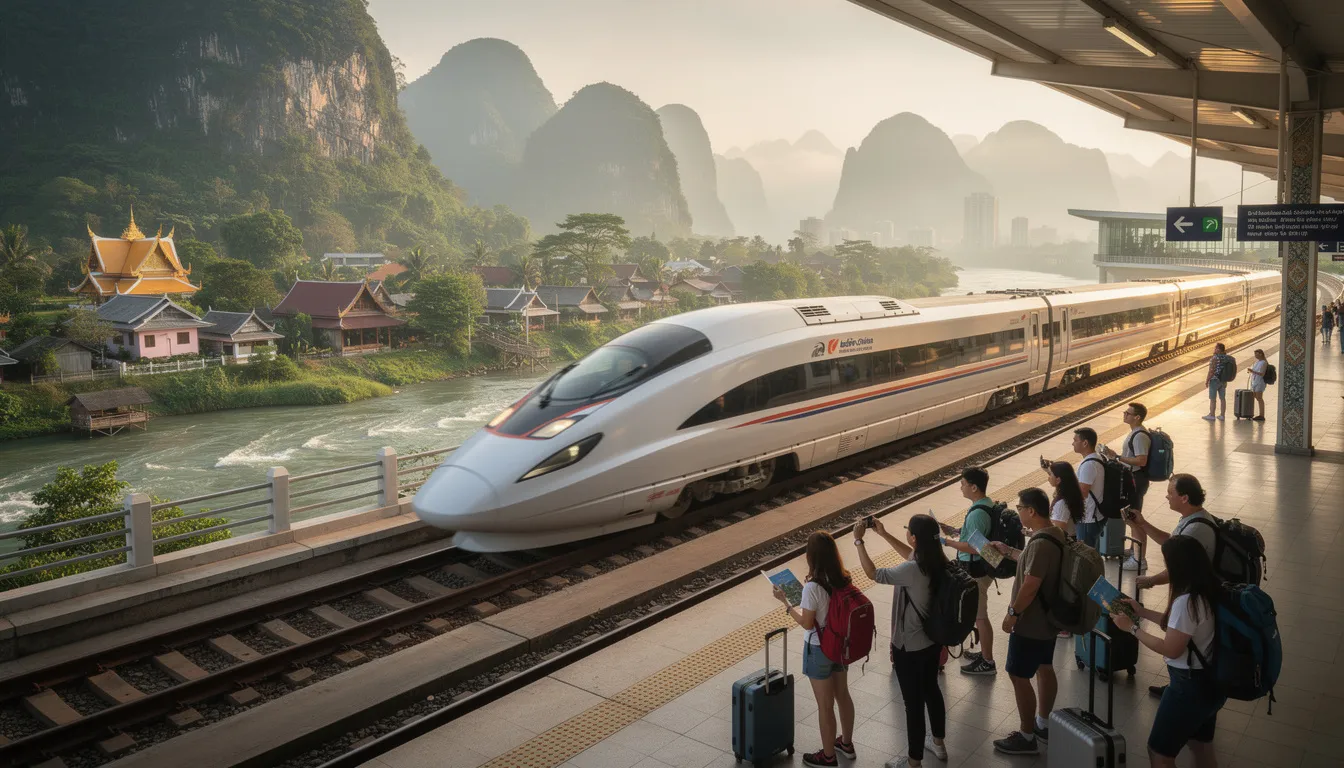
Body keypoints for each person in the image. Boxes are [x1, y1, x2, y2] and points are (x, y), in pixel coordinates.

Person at [1109, 536, 1226, 767]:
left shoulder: (1187, 602)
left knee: (1159, 753)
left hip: (1188, 687)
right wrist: (1142, 612)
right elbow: (1180, 628)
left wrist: (1131, 628)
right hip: (1212, 682)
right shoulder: (1211, 590)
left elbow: (1171, 649)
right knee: (1200, 746)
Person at [854, 515, 949, 768]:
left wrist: (858, 541)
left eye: (909, 531)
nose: (907, 534)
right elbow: (910, 555)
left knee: (913, 704)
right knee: (931, 689)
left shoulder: (911, 570)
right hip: (933, 641)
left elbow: (873, 573)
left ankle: (913, 761)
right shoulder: (938, 560)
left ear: (915, 538)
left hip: (909, 647)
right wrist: (883, 534)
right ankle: (938, 743)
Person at [1126, 473, 1219, 699]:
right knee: (1183, 631)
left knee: (1186, 635)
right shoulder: (1190, 519)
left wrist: (1150, 581)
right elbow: (1172, 543)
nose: (1167, 497)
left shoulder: (1197, 530)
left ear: (1184, 498)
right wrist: (1142, 523)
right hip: (1191, 589)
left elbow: (1180, 564)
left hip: (1192, 590)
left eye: (1170, 493)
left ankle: (1185, 686)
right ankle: (1179, 683)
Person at [989, 488, 1065, 757]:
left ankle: (1026, 736)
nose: (1018, 510)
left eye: (1020, 507)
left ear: (1031, 511)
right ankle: (1043, 723)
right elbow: (1035, 565)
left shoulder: (1040, 543)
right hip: (1049, 621)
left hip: (1031, 623)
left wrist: (1013, 614)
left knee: (1019, 675)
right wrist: (1009, 551)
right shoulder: (1054, 534)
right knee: (1045, 667)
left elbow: (1031, 584)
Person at [775, 532, 857, 767]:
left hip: (819, 650)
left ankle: (828, 756)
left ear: (812, 557)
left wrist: (786, 603)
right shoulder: (843, 578)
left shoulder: (812, 587)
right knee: (843, 695)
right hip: (840, 646)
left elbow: (808, 623)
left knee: (824, 705)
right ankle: (847, 744)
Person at [941, 467, 998, 675]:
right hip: (983, 568)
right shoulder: (985, 504)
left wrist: (946, 541)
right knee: (978, 615)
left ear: (974, 487)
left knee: (980, 616)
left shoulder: (977, 513)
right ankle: (984, 653)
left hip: (977, 571)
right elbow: (976, 536)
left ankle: (988, 662)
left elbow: (975, 547)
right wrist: (957, 532)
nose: (961, 487)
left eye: (963, 484)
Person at [1101, 403, 1151, 572]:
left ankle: (1140, 560)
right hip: (1133, 478)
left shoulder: (1140, 436)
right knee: (1131, 517)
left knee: (1135, 518)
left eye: (1128, 413)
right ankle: (1134, 549)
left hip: (1137, 479)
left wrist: (1117, 457)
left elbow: (1141, 460)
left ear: (1137, 417)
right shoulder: (1134, 433)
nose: (1125, 415)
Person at [1072, 428, 1107, 549]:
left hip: (1088, 517)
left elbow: (1082, 493)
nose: (1073, 443)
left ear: (1085, 443)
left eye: (1075, 440)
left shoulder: (1088, 465)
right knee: (1092, 551)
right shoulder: (1097, 457)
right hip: (1095, 515)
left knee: (1086, 554)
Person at [1045, 461, 1084, 537]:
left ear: (1058, 480)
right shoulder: (1070, 493)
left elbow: (1058, 532)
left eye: (1050, 474)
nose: (1048, 478)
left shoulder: (1061, 504)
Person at [1203, 343, 1233, 421]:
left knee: (1213, 399)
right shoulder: (1226, 358)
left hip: (1214, 380)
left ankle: (1212, 415)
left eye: (1216, 348)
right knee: (1222, 398)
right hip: (1223, 380)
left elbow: (1211, 371)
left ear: (1219, 349)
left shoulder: (1215, 358)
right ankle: (1222, 415)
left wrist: (1207, 380)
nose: (1215, 349)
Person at [1246, 350, 1268, 422]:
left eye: (1256, 354)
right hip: (1255, 382)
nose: (1255, 355)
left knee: (1259, 398)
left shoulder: (1264, 363)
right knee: (1256, 397)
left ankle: (1262, 415)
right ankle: (1260, 414)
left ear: (1261, 354)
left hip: (1260, 382)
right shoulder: (1257, 362)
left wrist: (1252, 371)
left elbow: (1262, 373)